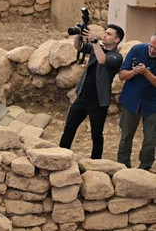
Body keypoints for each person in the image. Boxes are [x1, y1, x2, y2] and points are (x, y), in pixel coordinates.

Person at [58, 24, 124, 159]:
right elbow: (78, 47)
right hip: (82, 97)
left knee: (96, 134)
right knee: (69, 129)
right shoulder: (97, 48)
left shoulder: (117, 57)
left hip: (99, 102)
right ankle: (60, 157)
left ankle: (95, 163)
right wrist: (78, 33)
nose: (105, 35)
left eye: (109, 34)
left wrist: (94, 41)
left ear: (117, 40)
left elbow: (102, 60)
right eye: (105, 32)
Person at [116, 32, 156, 171]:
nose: (152, 50)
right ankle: (122, 165)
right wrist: (134, 72)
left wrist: (145, 72)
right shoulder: (137, 50)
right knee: (126, 135)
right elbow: (122, 75)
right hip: (131, 100)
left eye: (155, 49)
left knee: (150, 140)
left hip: (153, 104)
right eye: (151, 46)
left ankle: (144, 168)